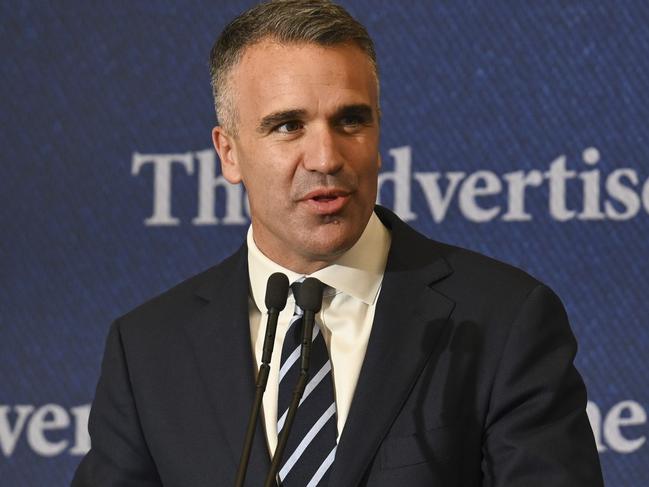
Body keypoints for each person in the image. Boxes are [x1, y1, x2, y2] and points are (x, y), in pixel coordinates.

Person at [72, 1, 604, 485]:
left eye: (350, 120)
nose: (326, 158)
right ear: (228, 153)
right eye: (287, 126)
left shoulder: (501, 320)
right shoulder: (147, 350)